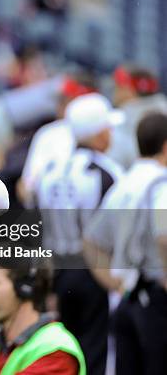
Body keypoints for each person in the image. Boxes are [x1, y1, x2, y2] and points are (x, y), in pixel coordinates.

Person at [35, 93, 123, 375]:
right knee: (95, 353)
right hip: (94, 272)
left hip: (58, 270)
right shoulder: (107, 171)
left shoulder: (50, 169)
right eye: (107, 128)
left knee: (65, 350)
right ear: (98, 134)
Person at [83, 111, 167, 375]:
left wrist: (115, 283)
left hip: (126, 300)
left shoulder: (123, 183)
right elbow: (164, 235)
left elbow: (90, 242)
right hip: (155, 299)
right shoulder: (161, 182)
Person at [18, 71, 98, 207]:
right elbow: (26, 186)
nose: (58, 106)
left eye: (64, 100)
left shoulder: (101, 130)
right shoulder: (49, 133)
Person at [107, 64, 167, 169]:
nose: (114, 91)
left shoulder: (124, 127)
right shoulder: (122, 120)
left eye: (118, 86)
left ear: (128, 89)